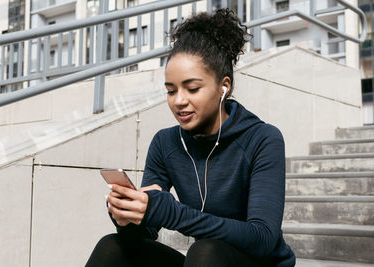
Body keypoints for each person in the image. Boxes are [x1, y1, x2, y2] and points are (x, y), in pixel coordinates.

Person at [86, 8, 295, 267]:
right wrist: (128, 216)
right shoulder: (166, 144)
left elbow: (263, 238)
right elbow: (148, 231)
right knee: (113, 247)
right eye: (171, 91)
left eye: (192, 88)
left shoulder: (263, 139)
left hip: (258, 263)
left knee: (205, 252)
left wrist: (170, 212)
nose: (179, 101)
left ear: (224, 86)